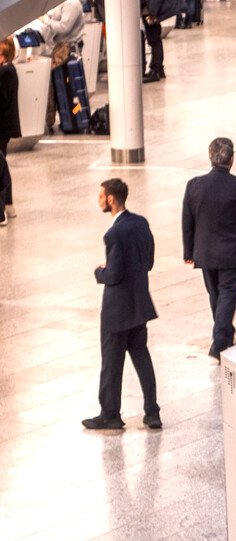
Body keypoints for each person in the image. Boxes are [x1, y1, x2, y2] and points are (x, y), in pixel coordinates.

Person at [181, 136, 236, 361]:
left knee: (215, 294)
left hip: (205, 252)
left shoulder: (194, 185)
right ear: (231, 159)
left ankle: (225, 332)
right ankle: (220, 342)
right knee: (227, 294)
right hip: (232, 252)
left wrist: (188, 252)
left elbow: (187, 221)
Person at [82, 178, 161, 432]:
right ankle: (152, 412)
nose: (99, 200)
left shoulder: (113, 234)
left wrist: (99, 272)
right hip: (139, 307)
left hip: (117, 312)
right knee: (142, 358)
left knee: (111, 364)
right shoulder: (141, 223)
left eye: (101, 196)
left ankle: (110, 414)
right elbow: (148, 262)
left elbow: (114, 275)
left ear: (111, 199)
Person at [137, 0, 179, 82]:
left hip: (150, 11)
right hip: (148, 9)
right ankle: (158, 69)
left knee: (154, 38)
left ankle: (156, 70)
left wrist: (153, 13)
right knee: (153, 37)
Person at [0, 37, 16, 225]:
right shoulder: (8, 71)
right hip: (4, 127)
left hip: (2, 128)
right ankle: (8, 204)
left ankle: (2, 209)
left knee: (1, 167)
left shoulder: (6, 72)